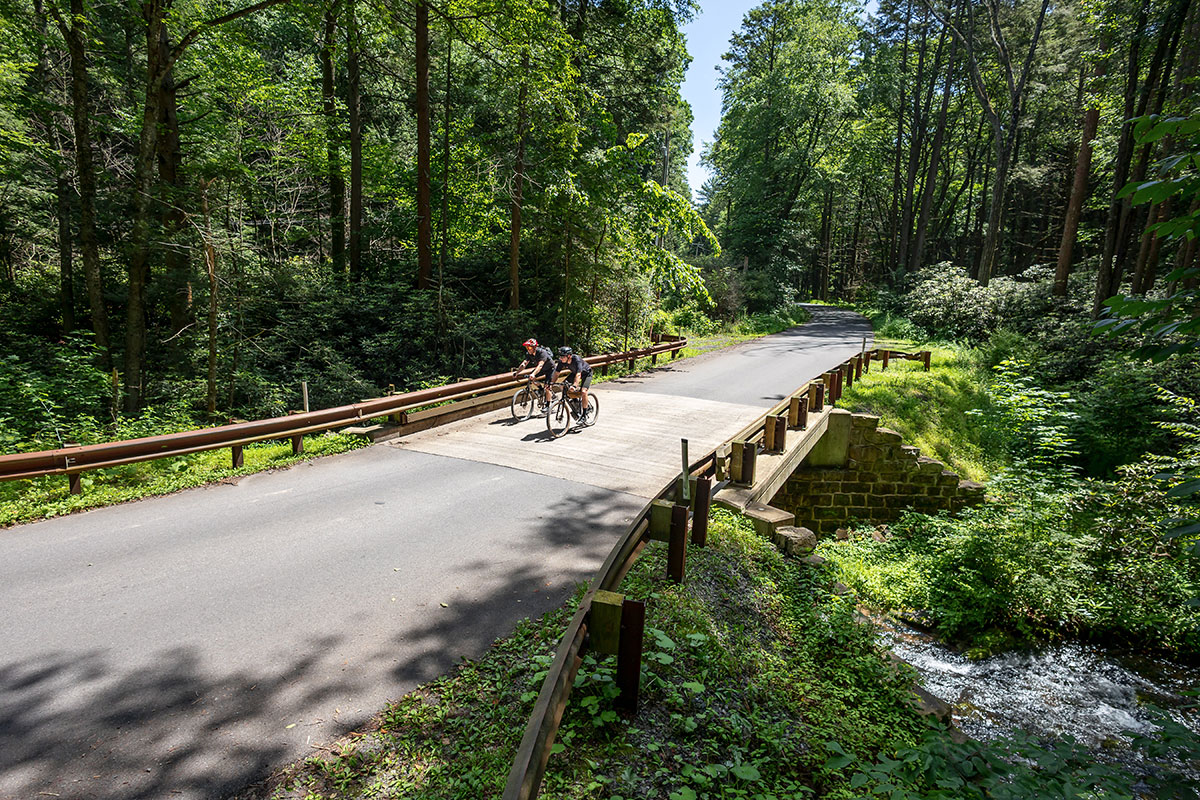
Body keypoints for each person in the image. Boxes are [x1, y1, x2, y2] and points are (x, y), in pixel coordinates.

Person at [515, 338, 556, 410]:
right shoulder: (529, 354)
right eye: (527, 347)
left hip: (550, 369)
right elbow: (524, 364)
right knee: (531, 379)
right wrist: (517, 372)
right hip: (542, 369)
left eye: (529, 347)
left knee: (547, 387)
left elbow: (540, 365)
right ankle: (540, 389)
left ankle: (548, 406)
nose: (528, 349)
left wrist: (533, 374)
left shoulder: (542, 352)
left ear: (534, 347)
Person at [555, 346, 593, 421]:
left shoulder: (576, 360)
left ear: (569, 356)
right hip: (574, 373)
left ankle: (584, 415)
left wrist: (574, 386)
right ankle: (576, 402)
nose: (561, 358)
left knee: (583, 391)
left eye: (563, 356)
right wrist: (551, 383)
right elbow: (556, 373)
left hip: (586, 373)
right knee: (563, 386)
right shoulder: (561, 362)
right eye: (560, 356)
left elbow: (578, 374)